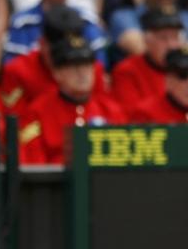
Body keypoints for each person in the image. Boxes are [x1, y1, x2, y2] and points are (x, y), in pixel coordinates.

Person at [18, 32, 126, 165]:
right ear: (57, 73)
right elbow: (33, 166)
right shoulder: (37, 112)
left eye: (87, 66)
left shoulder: (111, 110)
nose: (82, 73)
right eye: (74, 67)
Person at [0, 5, 108, 118]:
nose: (63, 56)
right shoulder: (18, 71)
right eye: (58, 50)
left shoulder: (93, 69)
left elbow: (102, 113)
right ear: (42, 43)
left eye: (73, 50)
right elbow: (14, 122)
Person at [111, 7, 186, 108]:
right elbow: (130, 115)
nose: (171, 45)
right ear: (147, 40)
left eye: (175, 37)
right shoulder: (127, 71)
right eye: (163, 38)